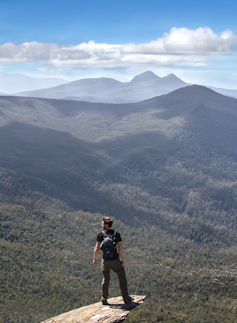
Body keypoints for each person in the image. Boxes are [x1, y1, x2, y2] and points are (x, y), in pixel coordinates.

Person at [93, 216, 132, 305]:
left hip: (105, 260)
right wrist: (122, 259)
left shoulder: (101, 234)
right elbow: (120, 247)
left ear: (106, 224)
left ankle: (104, 298)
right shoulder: (116, 233)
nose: (101, 225)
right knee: (122, 276)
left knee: (106, 279)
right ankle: (126, 297)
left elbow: (97, 248)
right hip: (115, 260)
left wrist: (94, 258)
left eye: (102, 223)